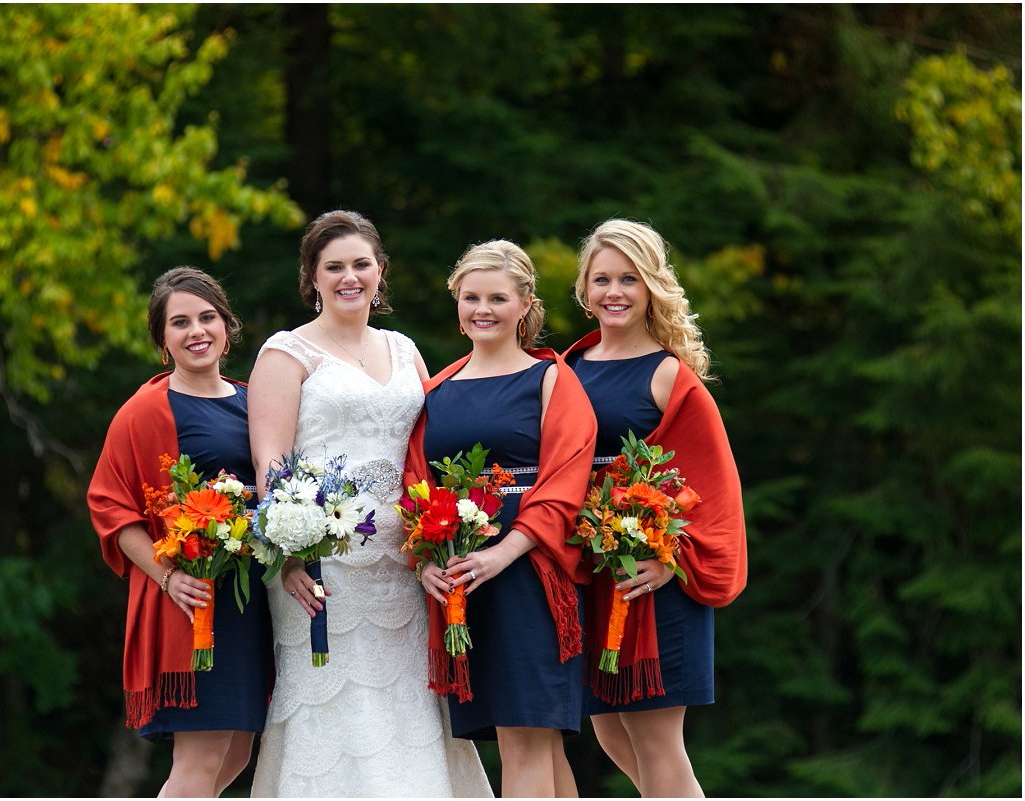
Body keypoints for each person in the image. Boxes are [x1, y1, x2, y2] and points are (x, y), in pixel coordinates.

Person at [247, 210, 491, 797]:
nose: (349, 277)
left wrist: (441, 539)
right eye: (334, 267)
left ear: (381, 271)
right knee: (333, 703)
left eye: (361, 264)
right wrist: (288, 559)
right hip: (325, 571)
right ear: (312, 276)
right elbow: (271, 463)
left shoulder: (405, 351)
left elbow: (425, 455)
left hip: (407, 566)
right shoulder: (285, 354)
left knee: (410, 706)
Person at [403, 240, 596, 798]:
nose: (482, 309)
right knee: (534, 741)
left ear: (525, 304)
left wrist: (503, 552)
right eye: (470, 297)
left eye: (497, 298)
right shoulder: (437, 390)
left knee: (527, 733)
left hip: (530, 572)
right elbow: (416, 483)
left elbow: (567, 479)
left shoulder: (551, 379)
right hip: (463, 574)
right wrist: (423, 564)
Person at [563, 219, 747, 797]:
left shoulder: (671, 376)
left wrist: (673, 560)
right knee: (609, 729)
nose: (613, 292)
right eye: (601, 279)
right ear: (584, 291)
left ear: (651, 289)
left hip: (654, 583)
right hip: (592, 576)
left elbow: (712, 486)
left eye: (628, 279)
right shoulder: (567, 368)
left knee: (656, 738)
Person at [87, 267, 273, 796]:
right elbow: (110, 505)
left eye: (207, 317)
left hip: (249, 600)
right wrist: (168, 578)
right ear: (162, 340)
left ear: (227, 326)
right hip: (192, 603)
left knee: (236, 750)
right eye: (180, 322)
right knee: (202, 755)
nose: (197, 331)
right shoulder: (146, 410)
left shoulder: (252, 399)